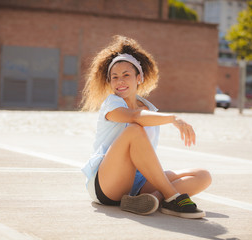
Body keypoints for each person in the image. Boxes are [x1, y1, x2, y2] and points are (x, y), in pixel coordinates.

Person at [81, 35, 211, 218]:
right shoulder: (112, 103)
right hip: (106, 184)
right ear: (110, 82)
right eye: (115, 77)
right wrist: (173, 118)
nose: (120, 81)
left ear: (139, 77)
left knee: (202, 176)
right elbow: (134, 117)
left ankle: (153, 198)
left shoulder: (149, 109)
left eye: (126, 75)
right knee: (134, 129)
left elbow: (141, 121)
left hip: (136, 184)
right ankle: (172, 197)